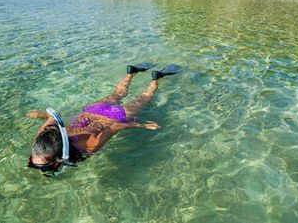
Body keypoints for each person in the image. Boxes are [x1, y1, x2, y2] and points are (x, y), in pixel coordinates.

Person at [26, 63, 185, 175]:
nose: (41, 169)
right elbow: (56, 115)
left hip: (114, 117)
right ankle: (131, 72)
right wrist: (42, 114)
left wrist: (142, 126)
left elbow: (115, 126)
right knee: (118, 94)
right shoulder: (44, 133)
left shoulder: (89, 147)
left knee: (144, 98)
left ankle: (157, 78)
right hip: (93, 110)